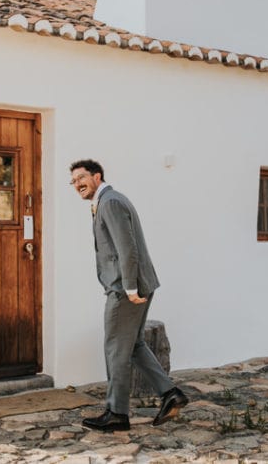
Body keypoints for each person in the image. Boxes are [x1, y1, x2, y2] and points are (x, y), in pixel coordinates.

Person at [69, 159, 188, 432]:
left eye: (81, 178)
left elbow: (127, 248)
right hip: (134, 284)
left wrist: (130, 288)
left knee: (116, 350)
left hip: (125, 288)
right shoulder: (110, 200)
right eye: (73, 181)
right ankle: (170, 394)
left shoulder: (110, 202)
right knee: (133, 345)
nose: (77, 185)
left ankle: (116, 413)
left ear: (97, 176)